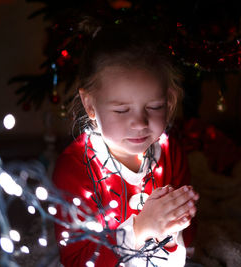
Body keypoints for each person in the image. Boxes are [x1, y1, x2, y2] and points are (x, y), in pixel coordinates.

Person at [53, 23, 199, 267]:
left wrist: (181, 216)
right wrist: (140, 229)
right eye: (121, 110)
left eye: (154, 107)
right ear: (90, 104)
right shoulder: (74, 170)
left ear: (169, 99)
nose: (140, 123)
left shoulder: (169, 151)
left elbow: (188, 237)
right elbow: (76, 259)